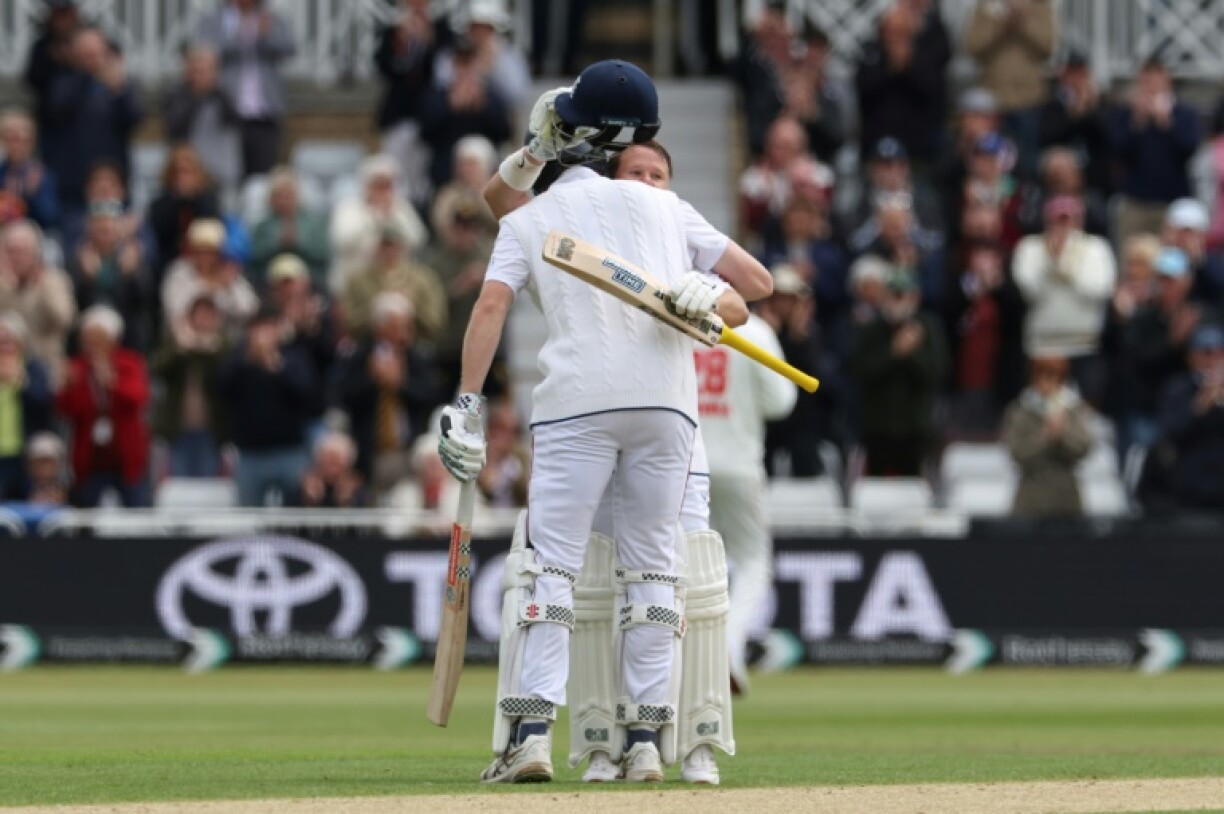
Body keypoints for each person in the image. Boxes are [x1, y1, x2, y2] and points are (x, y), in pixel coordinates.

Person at [445, 63, 771, 785]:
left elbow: (491, 306)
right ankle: (647, 743)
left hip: (575, 404)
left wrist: (468, 405)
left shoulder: (528, 218)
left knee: (553, 568)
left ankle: (530, 737)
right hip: (666, 404)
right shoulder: (667, 207)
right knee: (656, 570)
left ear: (567, 138)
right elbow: (761, 285)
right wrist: (708, 287)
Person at [218, 305, 314, 506]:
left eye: (269, 329)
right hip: (250, 455)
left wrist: (277, 367)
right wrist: (248, 361)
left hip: (289, 452)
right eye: (258, 329)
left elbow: (305, 394)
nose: (263, 336)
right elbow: (222, 390)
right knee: (249, 519)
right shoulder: (237, 361)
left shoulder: (294, 358)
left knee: (295, 515)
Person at [55, 305, 150, 507]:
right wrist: (68, 387)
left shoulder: (129, 363)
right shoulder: (79, 367)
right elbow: (67, 410)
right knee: (85, 514)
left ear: (113, 340)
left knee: (137, 511)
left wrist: (112, 383)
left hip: (126, 457)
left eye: (99, 339)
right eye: (88, 339)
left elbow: (137, 398)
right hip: (91, 460)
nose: (93, 346)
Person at [194, 0, 296, 179]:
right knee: (229, 172)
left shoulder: (270, 17)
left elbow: (290, 48)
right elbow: (204, 51)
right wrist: (241, 34)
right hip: (228, 115)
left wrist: (266, 35)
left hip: (264, 115)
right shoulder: (214, 19)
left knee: (262, 177)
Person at [1001, 353, 1094, 516]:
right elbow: (1016, 452)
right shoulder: (1020, 411)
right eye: (1043, 376)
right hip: (1031, 497)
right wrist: (1045, 437)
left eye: (1055, 377)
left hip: (1067, 498)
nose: (1049, 383)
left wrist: (1062, 435)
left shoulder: (1073, 410)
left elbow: (1084, 448)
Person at [151, 293, 230, 477]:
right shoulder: (176, 344)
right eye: (199, 315)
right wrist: (182, 349)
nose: (203, 320)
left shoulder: (224, 347)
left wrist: (208, 350)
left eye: (208, 315)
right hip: (179, 428)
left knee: (207, 486)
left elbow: (226, 377)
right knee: (180, 485)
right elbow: (159, 370)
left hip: (211, 429)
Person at [0, 219, 77, 388]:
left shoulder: (54, 280)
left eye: (22, 252)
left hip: (46, 371)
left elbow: (64, 320)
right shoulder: (2, 284)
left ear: (36, 253)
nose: (17, 258)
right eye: (11, 251)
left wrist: (42, 288)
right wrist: (8, 290)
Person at [162, 45, 242, 207]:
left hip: (222, 176)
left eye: (206, 70)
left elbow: (236, 120)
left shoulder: (225, 95)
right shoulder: (176, 96)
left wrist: (214, 90)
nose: (201, 76)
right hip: (188, 176)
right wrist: (196, 96)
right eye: (196, 70)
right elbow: (174, 127)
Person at [0, 313, 54, 500]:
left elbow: (43, 404)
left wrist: (21, 382)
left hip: (28, 455)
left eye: (9, 341)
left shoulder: (34, 368)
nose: (5, 347)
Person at [0, 108, 59, 231]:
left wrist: (32, 195)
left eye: (25, 140)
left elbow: (50, 218)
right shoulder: (2, 171)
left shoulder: (42, 174)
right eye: (13, 139)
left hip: (31, 235)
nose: (18, 146)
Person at [289, 431, 369, 508]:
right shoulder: (304, 486)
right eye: (328, 461)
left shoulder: (357, 489)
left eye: (336, 462)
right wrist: (307, 500)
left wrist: (348, 501)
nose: (331, 469)